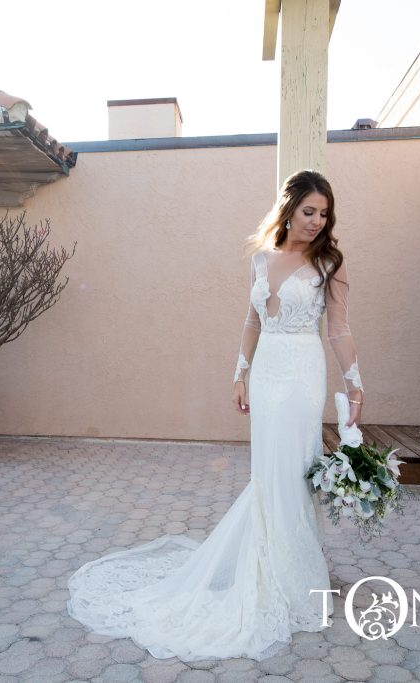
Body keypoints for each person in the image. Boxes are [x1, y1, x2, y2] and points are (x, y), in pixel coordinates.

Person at [66, 170, 363, 662]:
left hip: (302, 372)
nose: (316, 221)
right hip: (267, 371)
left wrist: (355, 382)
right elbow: (251, 321)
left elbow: (339, 329)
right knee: (268, 471)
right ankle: (267, 567)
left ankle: (294, 576)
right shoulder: (263, 259)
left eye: (324, 213)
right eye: (309, 211)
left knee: (293, 469)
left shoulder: (330, 261)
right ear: (288, 210)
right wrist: (240, 374)